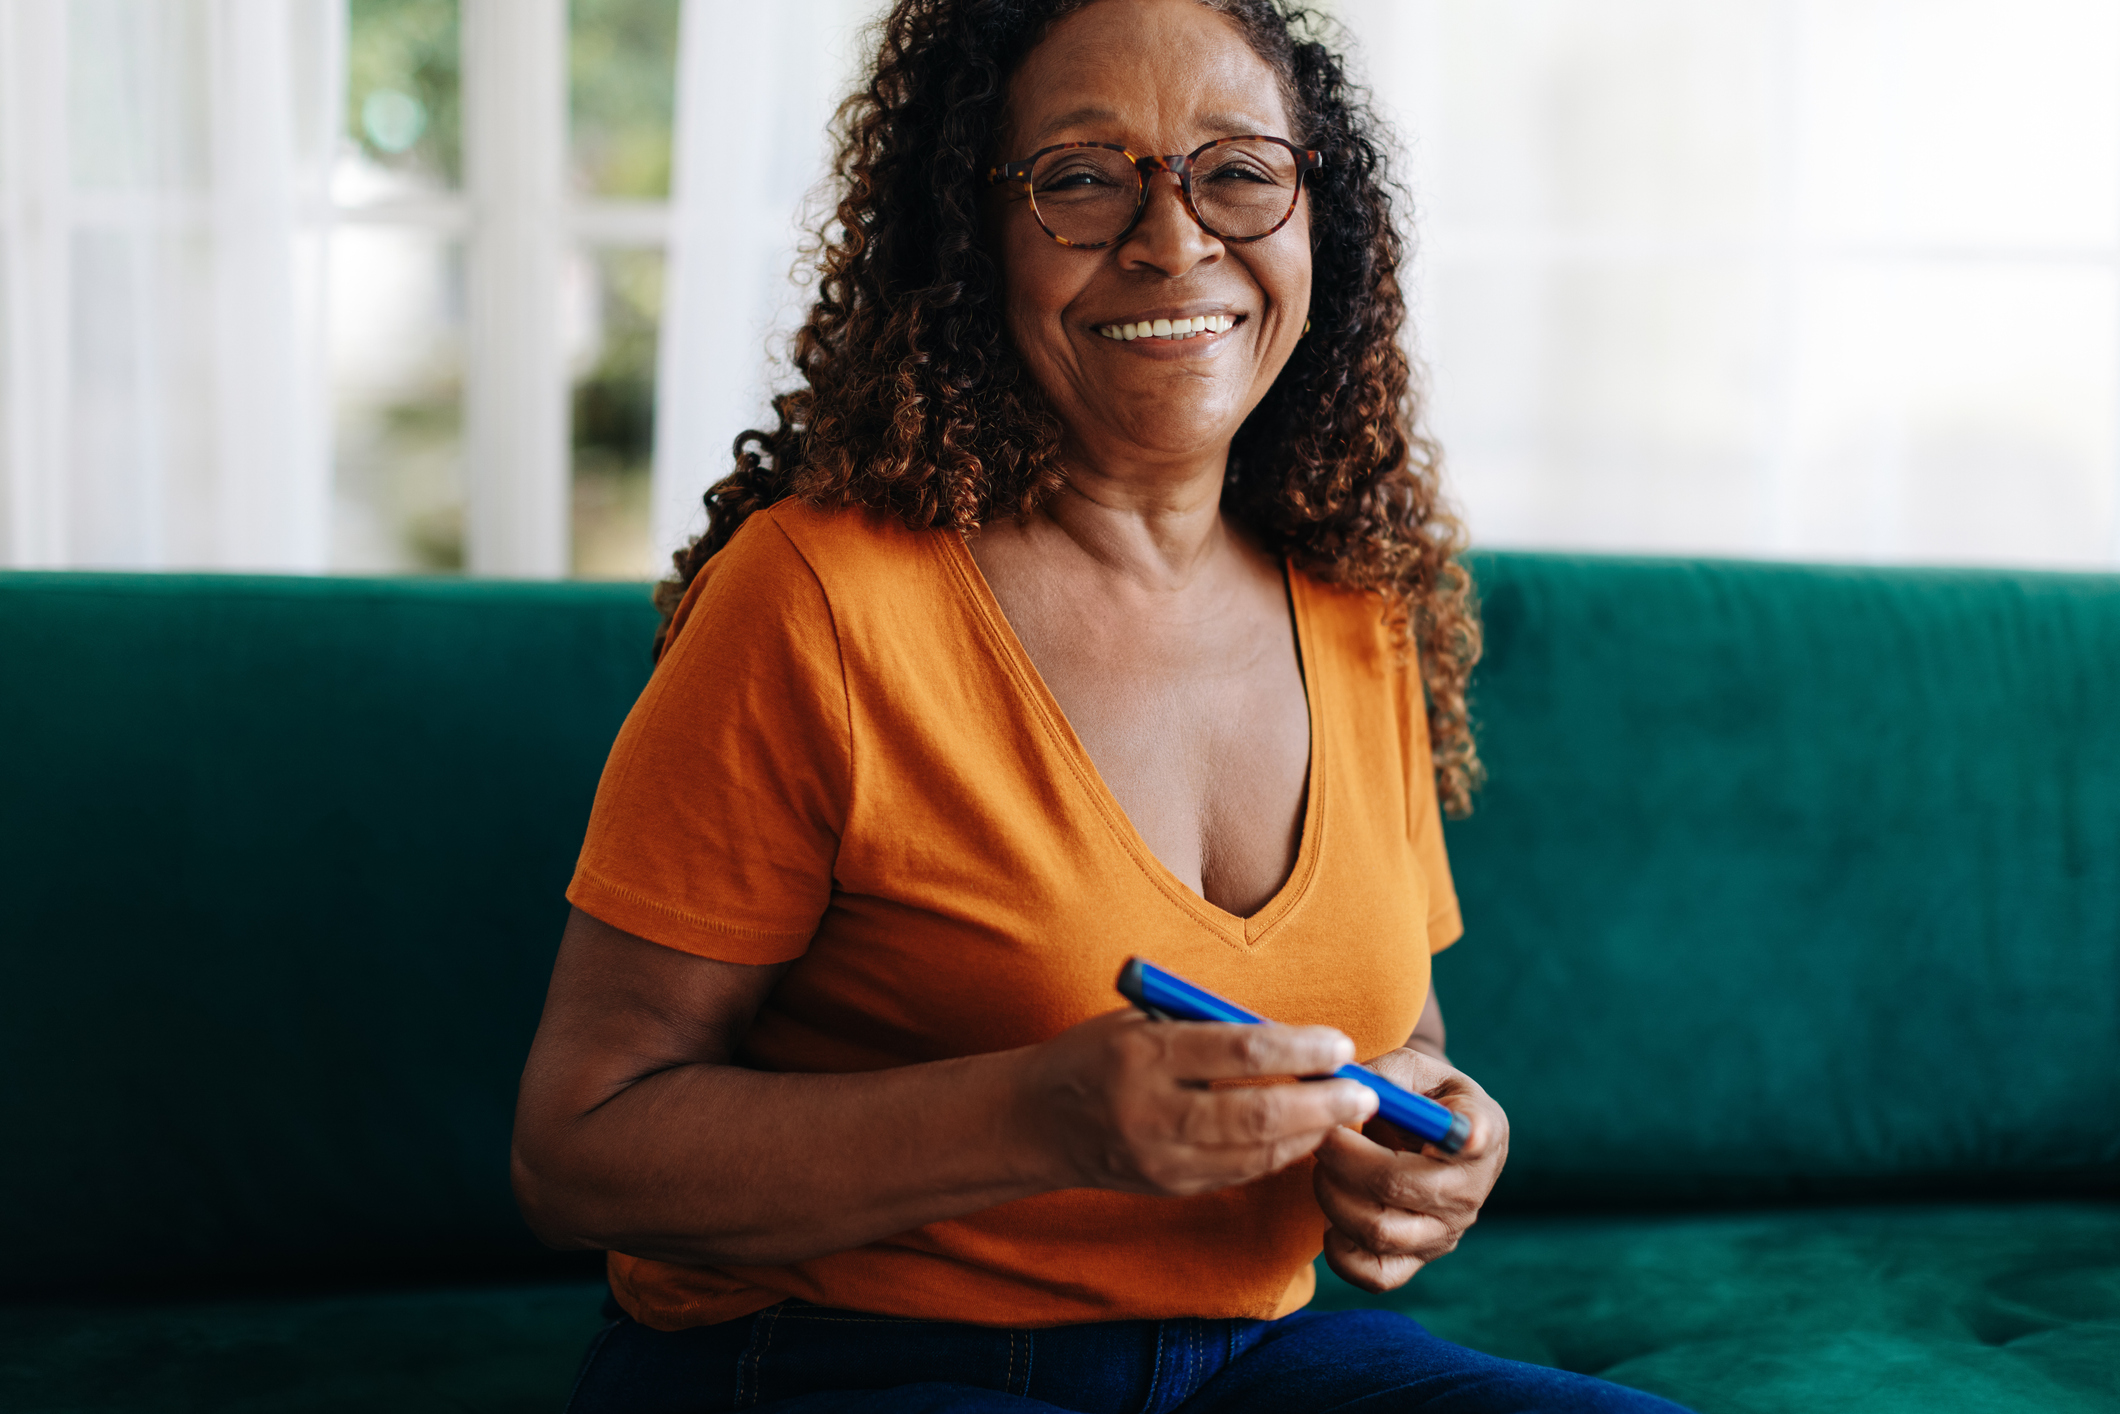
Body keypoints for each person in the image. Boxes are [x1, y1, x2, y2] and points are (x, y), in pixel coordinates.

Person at [513, 1, 1690, 1409]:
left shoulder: (1357, 598)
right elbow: (575, 1152)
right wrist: (1032, 1116)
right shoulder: (814, 598)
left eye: (1239, 172)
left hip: (1255, 1356)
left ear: (1320, 220)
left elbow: (1403, 1034)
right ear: (971, 240)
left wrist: (1424, 1130)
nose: (1174, 240)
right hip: (828, 1349)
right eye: (1080, 178)